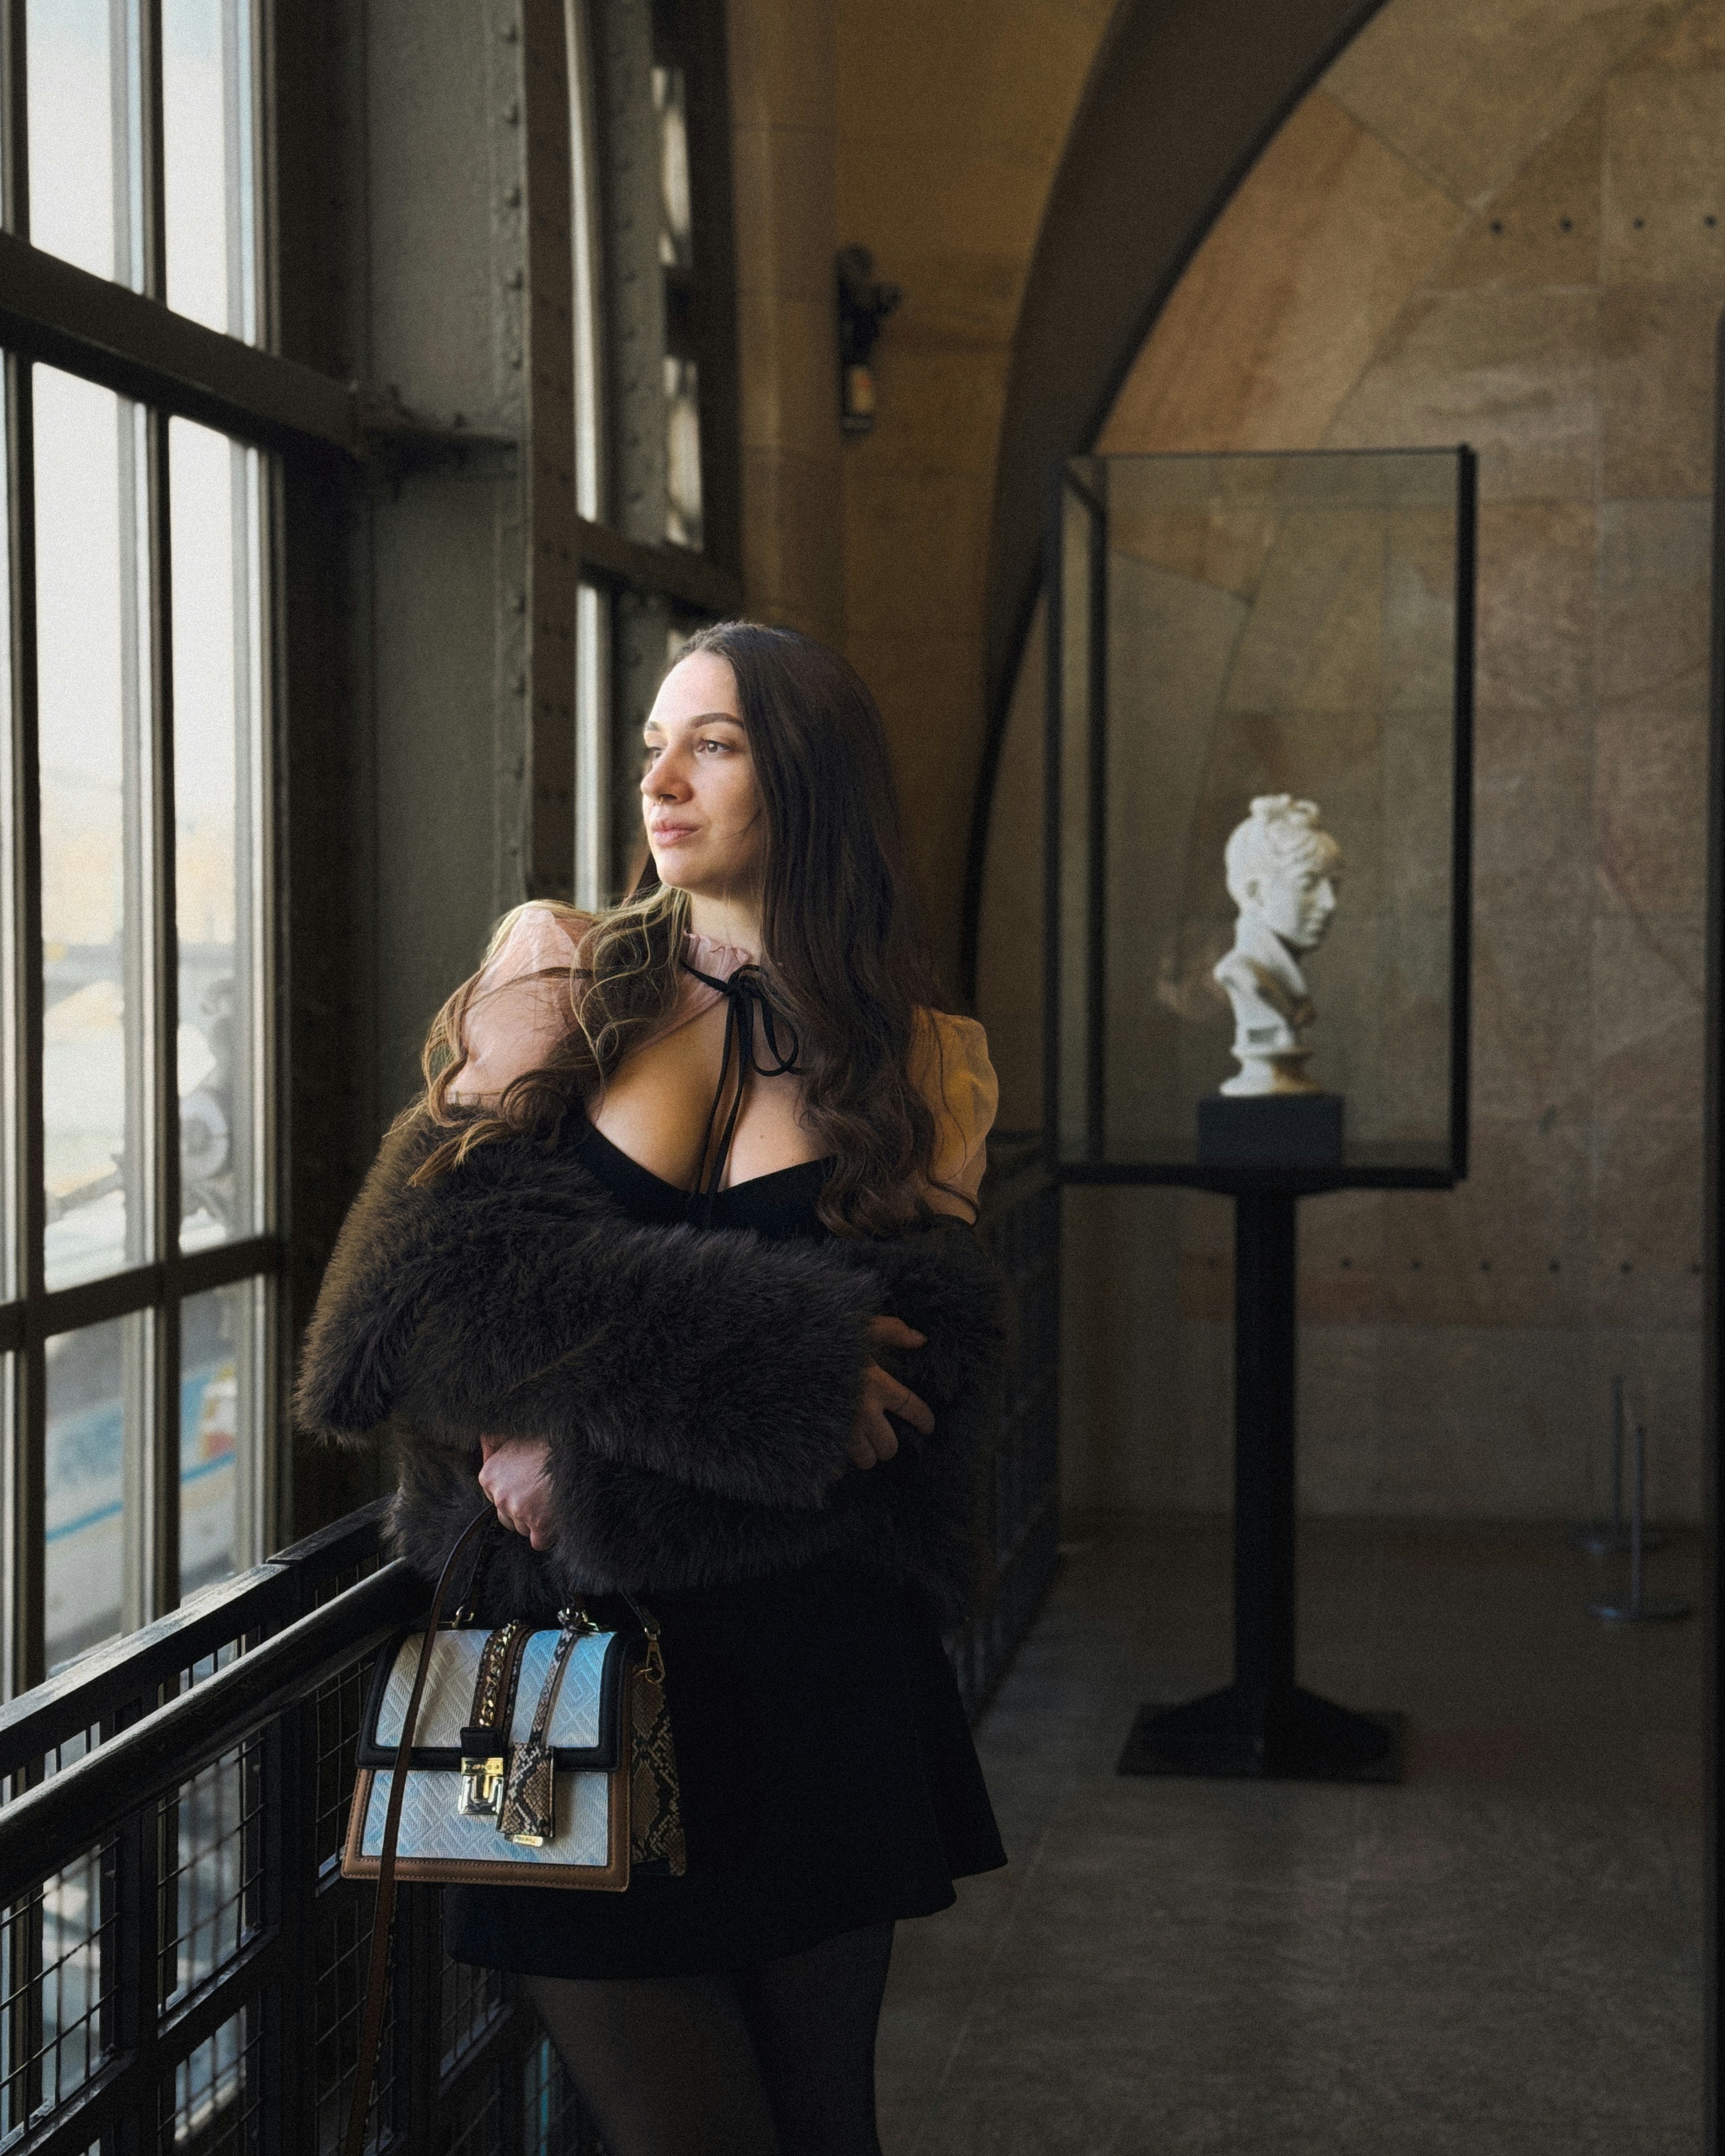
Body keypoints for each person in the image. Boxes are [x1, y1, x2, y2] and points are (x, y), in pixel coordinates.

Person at [295, 621, 1007, 2155]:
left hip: (818, 1666)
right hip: (549, 1663)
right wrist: (774, 1370)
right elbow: (401, 1307)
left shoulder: (931, 1058)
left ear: (805, 777)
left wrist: (596, 1449)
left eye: (717, 743)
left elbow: (912, 1394)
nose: (662, 781)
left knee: (826, 2125)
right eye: (651, 746)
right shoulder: (565, 965)